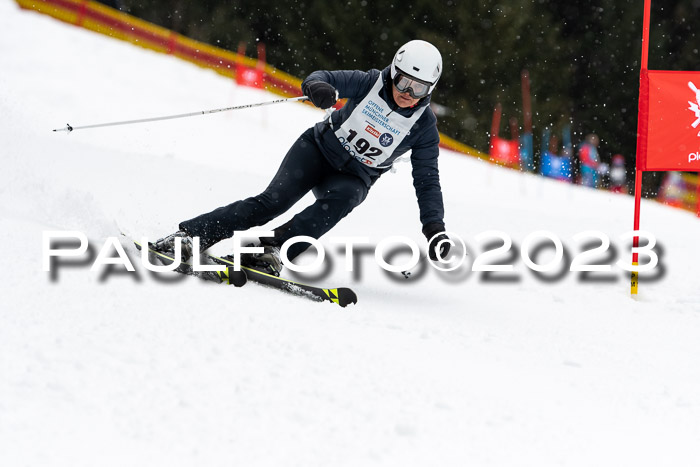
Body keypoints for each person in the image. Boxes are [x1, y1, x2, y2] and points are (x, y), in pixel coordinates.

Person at [154, 40, 451, 276]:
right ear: (393, 73)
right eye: (403, 83)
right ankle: (190, 236)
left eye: (419, 88)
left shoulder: (423, 128)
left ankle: (270, 250)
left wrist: (434, 229)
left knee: (348, 197)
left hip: (352, 177)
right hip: (317, 150)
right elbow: (321, 77)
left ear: (430, 90)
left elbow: (427, 181)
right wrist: (319, 88)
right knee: (271, 203)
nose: (409, 93)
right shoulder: (369, 83)